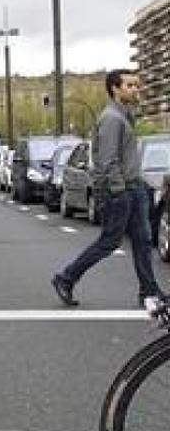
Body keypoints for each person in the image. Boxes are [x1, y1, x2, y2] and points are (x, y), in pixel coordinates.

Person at [52, 70, 162, 310]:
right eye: (130, 85)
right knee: (109, 242)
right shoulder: (111, 118)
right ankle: (66, 278)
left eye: (137, 85)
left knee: (143, 241)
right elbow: (107, 159)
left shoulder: (125, 115)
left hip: (134, 187)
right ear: (115, 89)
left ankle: (149, 291)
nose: (136, 89)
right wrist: (119, 190)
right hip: (121, 191)